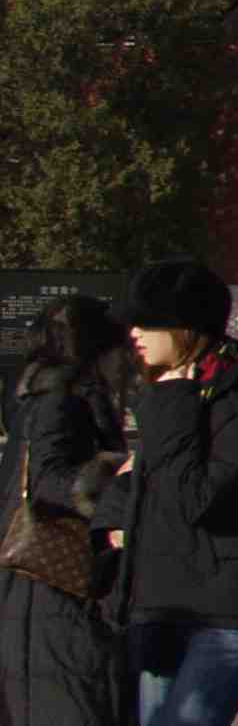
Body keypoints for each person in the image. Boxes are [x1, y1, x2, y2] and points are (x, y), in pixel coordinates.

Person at [95, 260, 238, 726]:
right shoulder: (178, 389)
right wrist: (114, 521)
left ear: (186, 328)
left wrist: (170, 402)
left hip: (226, 608)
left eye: (148, 322)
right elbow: (143, 473)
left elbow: (195, 497)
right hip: (161, 599)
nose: (134, 334)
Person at [0, 296, 132, 726]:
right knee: (66, 698)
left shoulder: (42, 396)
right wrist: (119, 476)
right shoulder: (61, 399)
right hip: (50, 576)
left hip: (38, 580)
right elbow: (50, 479)